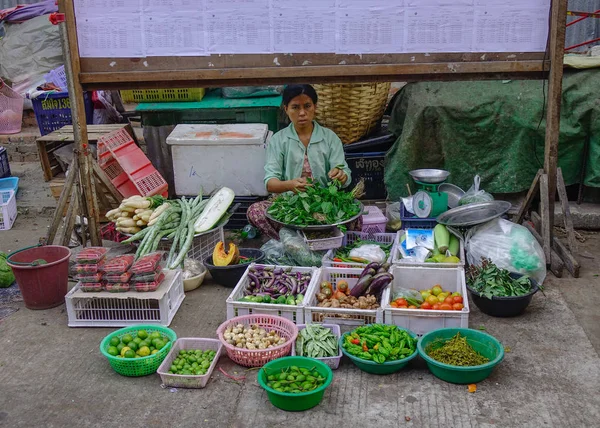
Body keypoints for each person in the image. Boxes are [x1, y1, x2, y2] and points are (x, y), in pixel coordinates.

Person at [247, 84, 353, 240]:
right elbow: (270, 183)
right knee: (255, 211)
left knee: (356, 214)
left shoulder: (329, 138)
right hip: (290, 204)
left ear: (315, 107)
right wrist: (290, 185)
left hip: (324, 204)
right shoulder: (278, 140)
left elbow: (345, 176)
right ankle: (290, 242)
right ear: (286, 109)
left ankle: (301, 238)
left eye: (307, 106)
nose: (302, 113)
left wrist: (341, 175)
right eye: (295, 107)